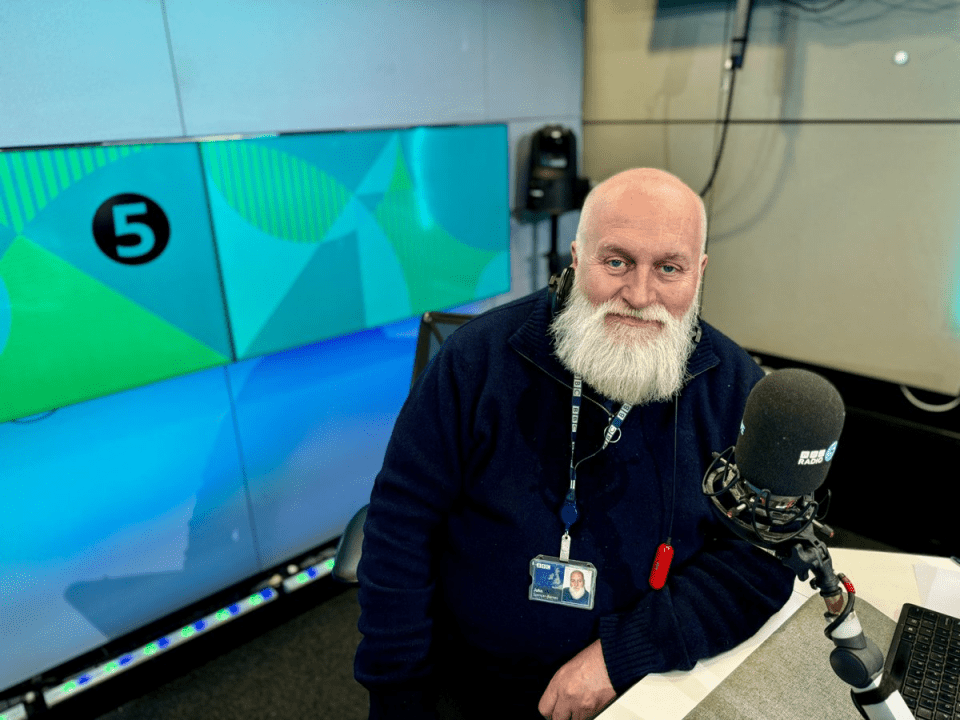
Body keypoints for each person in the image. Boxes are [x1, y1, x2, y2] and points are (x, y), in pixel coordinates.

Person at [354, 168, 795, 720]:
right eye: (616, 262)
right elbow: (399, 527)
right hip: (468, 681)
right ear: (577, 255)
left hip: (645, 690)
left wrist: (623, 654)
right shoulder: (476, 361)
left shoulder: (737, 391)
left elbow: (759, 563)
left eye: (668, 268)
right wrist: (397, 695)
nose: (639, 294)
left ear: (699, 272)